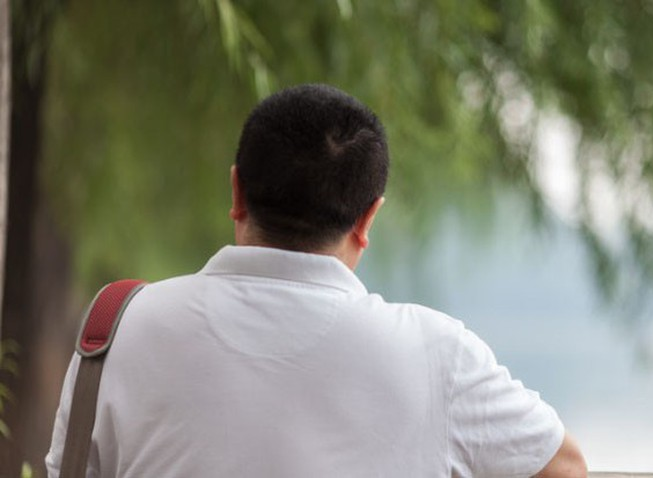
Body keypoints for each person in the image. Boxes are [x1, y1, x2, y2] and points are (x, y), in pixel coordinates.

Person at [46, 84, 586, 477]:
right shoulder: (438, 355)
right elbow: (563, 468)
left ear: (236, 192)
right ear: (367, 219)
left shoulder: (118, 327)